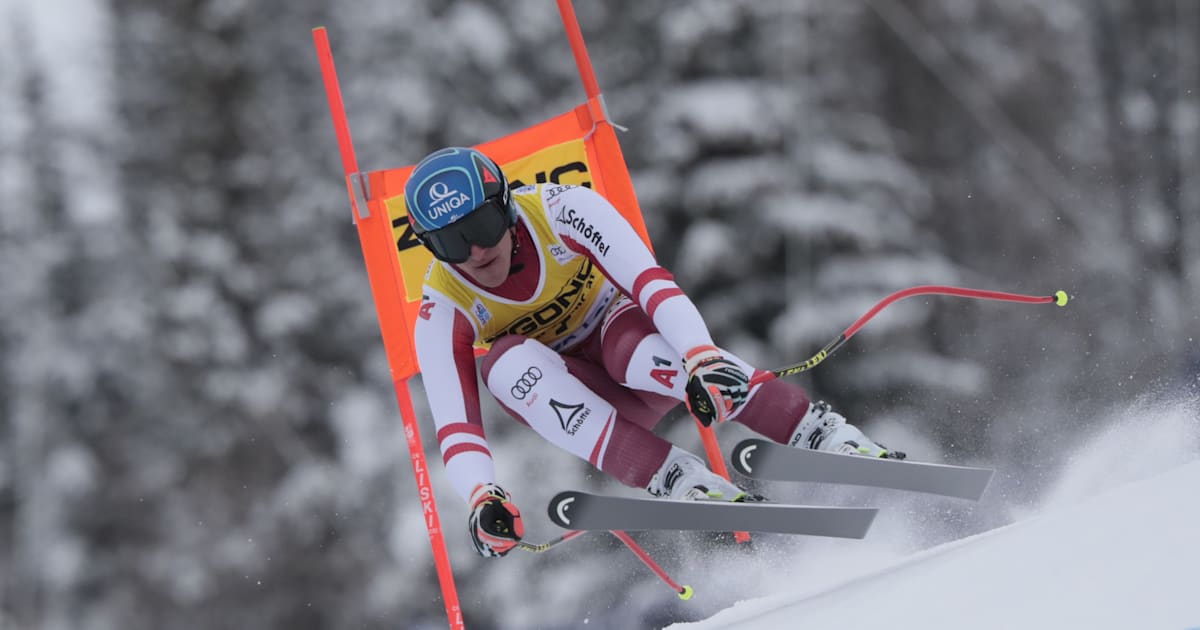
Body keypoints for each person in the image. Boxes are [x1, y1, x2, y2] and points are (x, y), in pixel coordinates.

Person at [406, 147, 903, 558]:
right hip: (591, 401)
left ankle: (822, 432)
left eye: (483, 226)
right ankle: (681, 480)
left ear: (508, 206)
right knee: (505, 364)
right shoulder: (443, 303)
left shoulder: (561, 210)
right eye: (453, 241)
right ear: (431, 247)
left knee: (631, 350)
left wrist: (700, 357)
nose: (475, 251)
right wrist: (481, 497)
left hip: (628, 341)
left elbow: (653, 287)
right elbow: (455, 424)